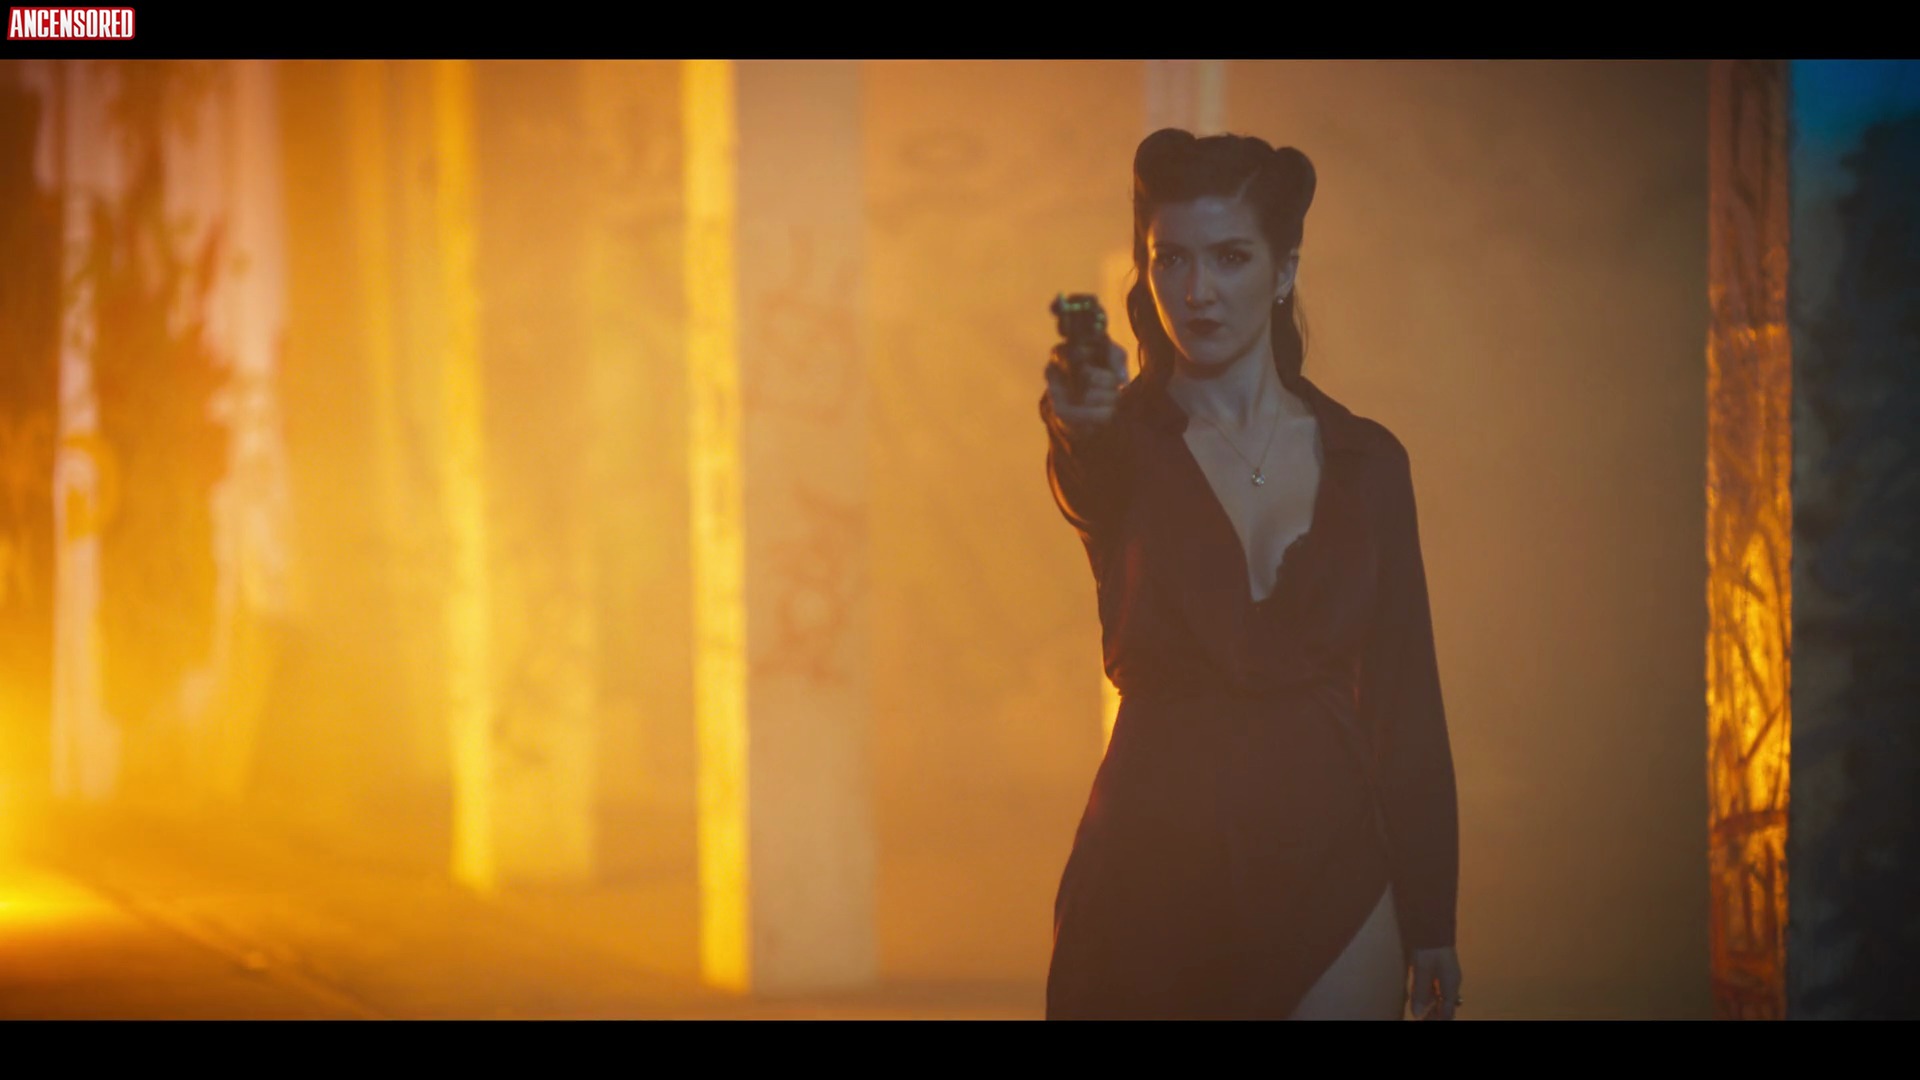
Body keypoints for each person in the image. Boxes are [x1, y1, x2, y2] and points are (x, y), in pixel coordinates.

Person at [1038, 128, 1463, 1020]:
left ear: (1282, 272)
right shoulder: (1123, 442)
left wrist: (1432, 915)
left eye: (1229, 257)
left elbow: (1404, 694)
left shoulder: (1366, 462)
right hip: (1149, 872)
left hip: (1330, 865)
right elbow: (1085, 470)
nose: (1197, 290)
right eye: (1172, 259)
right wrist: (1077, 418)